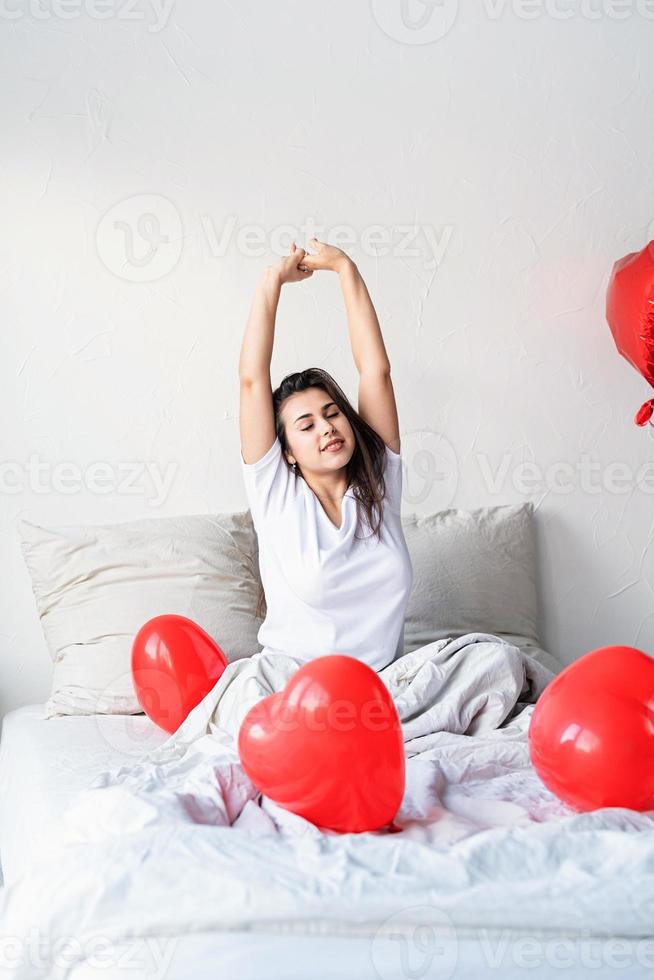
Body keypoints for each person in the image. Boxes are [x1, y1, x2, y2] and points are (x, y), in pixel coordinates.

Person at [238, 238, 414, 673]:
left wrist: (345, 270)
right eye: (307, 425)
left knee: (493, 661)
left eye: (332, 414)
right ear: (288, 453)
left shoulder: (378, 485)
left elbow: (376, 371)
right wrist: (271, 283)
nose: (327, 428)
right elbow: (252, 381)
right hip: (297, 686)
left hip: (383, 687)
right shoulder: (275, 493)